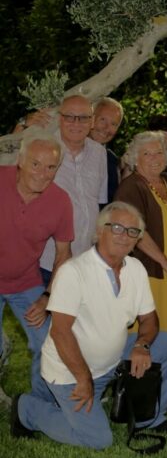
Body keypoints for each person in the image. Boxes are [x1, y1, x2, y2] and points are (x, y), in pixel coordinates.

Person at [13, 202, 167, 447]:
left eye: (132, 231)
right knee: (97, 439)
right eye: (116, 228)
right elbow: (61, 333)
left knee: (166, 343)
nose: (124, 236)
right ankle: (27, 408)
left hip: (112, 360)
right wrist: (84, 379)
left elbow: (149, 319)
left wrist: (142, 345)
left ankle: (150, 418)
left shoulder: (135, 268)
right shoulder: (74, 272)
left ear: (138, 239)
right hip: (72, 372)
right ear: (99, 231)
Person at [0, 132, 73, 400]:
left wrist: (47, 297)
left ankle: (39, 401)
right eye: (36, 164)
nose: (43, 174)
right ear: (20, 161)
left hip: (26, 282)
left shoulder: (60, 201)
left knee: (48, 342)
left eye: (51, 167)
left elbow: (64, 254)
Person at [114, 131, 167, 362]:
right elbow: (136, 232)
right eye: (147, 153)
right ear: (135, 158)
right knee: (148, 328)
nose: (155, 158)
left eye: (159, 152)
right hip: (147, 272)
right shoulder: (131, 187)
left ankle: (165, 372)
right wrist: (165, 263)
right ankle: (140, 374)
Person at [39, 95, 108, 285]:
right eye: (69, 116)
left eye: (83, 117)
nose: (76, 123)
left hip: (85, 260)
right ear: (59, 119)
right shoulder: (43, 149)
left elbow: (98, 202)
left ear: (92, 122)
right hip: (46, 260)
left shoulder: (99, 153)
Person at [89, 97, 124, 203]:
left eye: (113, 124)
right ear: (90, 118)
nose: (106, 128)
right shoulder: (65, 150)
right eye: (103, 119)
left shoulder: (112, 161)